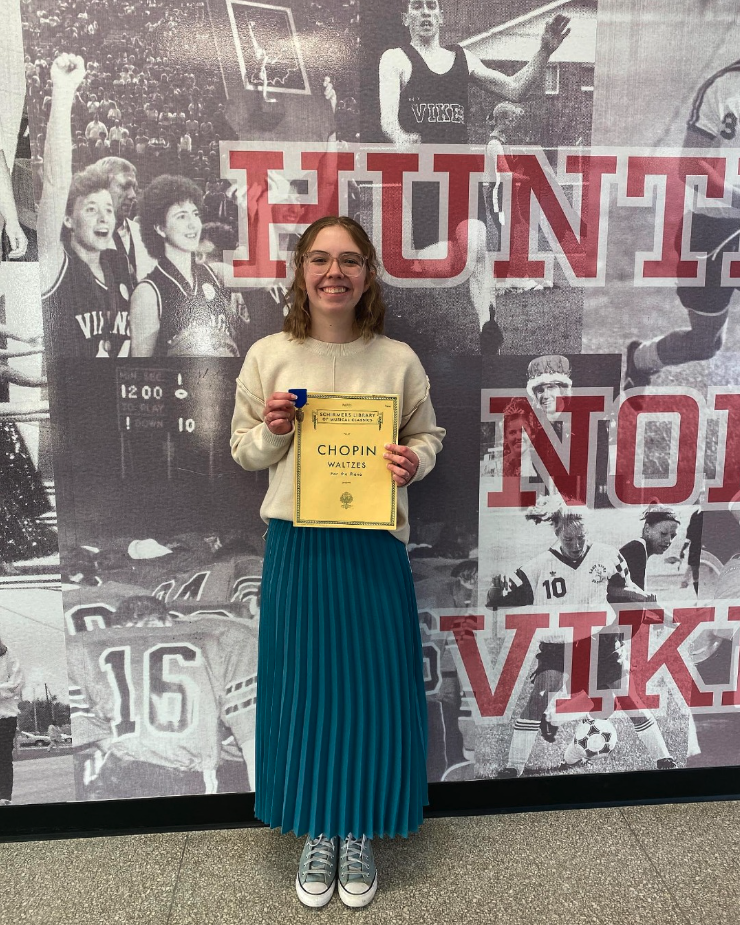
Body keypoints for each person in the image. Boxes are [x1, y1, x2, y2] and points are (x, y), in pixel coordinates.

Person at [230, 215, 445, 908]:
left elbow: (428, 433)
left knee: (369, 689)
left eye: (349, 260)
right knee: (305, 689)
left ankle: (359, 827)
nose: (334, 272)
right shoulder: (269, 354)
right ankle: (317, 826)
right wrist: (270, 432)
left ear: (368, 275)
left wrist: (415, 460)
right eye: (320, 259)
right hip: (299, 544)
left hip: (373, 544)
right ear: (300, 271)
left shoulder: (398, 359)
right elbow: (243, 450)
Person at [378, 2, 570, 348]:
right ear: (406, 18)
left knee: (478, 244)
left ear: (440, 16)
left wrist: (544, 51)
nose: (425, 12)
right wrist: (401, 137)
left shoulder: (462, 58)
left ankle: (488, 329)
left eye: (431, 6)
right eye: (417, 6)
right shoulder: (396, 58)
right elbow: (388, 119)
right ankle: (424, 263)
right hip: (425, 179)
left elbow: (514, 89)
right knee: (444, 266)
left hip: (460, 176)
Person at [486, 497, 677, 778]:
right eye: (569, 539)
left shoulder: (607, 555)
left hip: (601, 641)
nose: (576, 545)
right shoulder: (538, 566)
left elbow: (619, 589)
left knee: (628, 699)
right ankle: (513, 768)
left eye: (581, 537)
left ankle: (665, 760)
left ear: (588, 533)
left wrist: (643, 597)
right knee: (539, 698)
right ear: (558, 535)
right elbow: (497, 602)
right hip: (557, 644)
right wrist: (495, 587)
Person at [624, 56, 740, 387]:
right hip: (712, 230)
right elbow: (690, 168)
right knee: (705, 345)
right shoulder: (724, 86)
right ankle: (640, 359)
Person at [39, 54, 131, 358]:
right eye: (91, 208)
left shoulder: (118, 268)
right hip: (72, 400)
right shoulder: (56, 263)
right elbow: (55, 182)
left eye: (108, 208)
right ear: (68, 220)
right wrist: (64, 93)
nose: (104, 216)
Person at [129, 174, 244, 357]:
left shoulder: (215, 271)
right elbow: (142, 370)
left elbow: (266, 277)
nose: (193, 224)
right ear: (160, 228)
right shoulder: (148, 293)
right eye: (181, 216)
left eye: (195, 214)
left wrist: (254, 208)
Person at [620, 503, 680, 591]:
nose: (668, 540)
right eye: (663, 534)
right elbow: (638, 599)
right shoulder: (637, 549)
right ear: (647, 530)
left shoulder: (639, 548)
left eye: (673, 536)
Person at [0, 637, 24, 806]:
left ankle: (4, 797)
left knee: (3, 757)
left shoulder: (8, 656)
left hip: (5, 716)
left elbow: (16, 684)